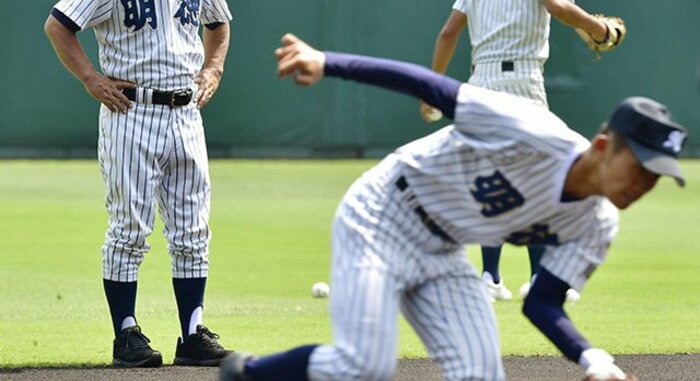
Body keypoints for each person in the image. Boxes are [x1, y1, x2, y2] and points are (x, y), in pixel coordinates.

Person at [220, 33, 686, 381]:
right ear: (604, 146)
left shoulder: (597, 223)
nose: (645, 184)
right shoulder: (534, 131)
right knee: (364, 365)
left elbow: (542, 304)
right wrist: (327, 62)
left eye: (656, 176)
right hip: (383, 213)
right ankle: (249, 372)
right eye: (640, 167)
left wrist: (592, 356)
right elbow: (433, 86)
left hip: (444, 249)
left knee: (481, 375)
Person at [44, 0, 233, 368]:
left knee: (193, 231)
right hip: (131, 111)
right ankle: (126, 335)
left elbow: (219, 24)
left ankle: (192, 335)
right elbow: (59, 26)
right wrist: (90, 79)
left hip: (186, 113)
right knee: (129, 228)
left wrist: (213, 68)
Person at [420, 0, 622, 303]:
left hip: (479, 85)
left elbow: (447, 33)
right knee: (543, 177)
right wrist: (597, 28)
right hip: (522, 84)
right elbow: (558, 5)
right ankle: (538, 280)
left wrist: (432, 89)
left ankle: (490, 277)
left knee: (489, 179)